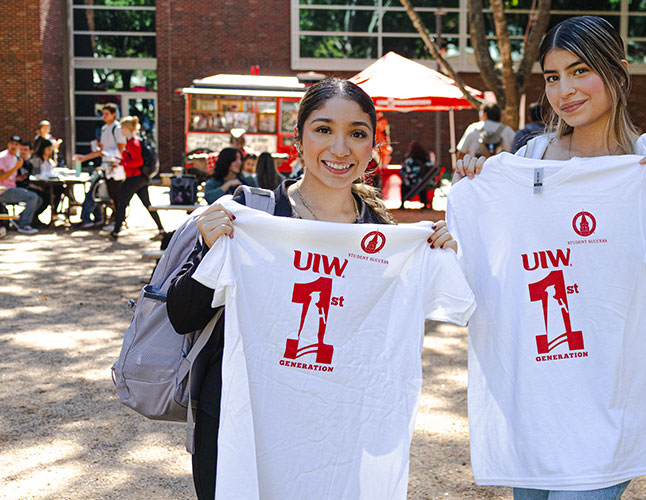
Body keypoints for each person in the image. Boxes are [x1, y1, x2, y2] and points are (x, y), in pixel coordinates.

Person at [452, 15, 646, 500]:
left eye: (579, 71)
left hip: (611, 401)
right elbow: (491, 272)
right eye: (552, 77)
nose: (564, 91)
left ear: (618, 70)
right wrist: (474, 197)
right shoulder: (529, 159)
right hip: (532, 398)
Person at [166, 77, 458, 499]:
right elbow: (182, 315)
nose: (340, 149)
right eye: (324, 129)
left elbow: (386, 336)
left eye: (357, 134)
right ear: (297, 141)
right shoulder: (254, 216)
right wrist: (209, 246)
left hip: (336, 430)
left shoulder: (382, 236)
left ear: (373, 147)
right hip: (243, 423)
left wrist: (436, 253)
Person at [106, 116, 165, 240]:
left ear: (127, 128)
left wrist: (123, 163)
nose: (121, 130)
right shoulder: (134, 141)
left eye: (122, 127)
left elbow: (137, 162)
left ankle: (116, 232)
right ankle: (161, 229)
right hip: (140, 178)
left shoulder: (133, 143)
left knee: (121, 203)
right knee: (147, 204)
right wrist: (121, 162)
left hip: (134, 177)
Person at [76, 102, 127, 228]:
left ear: (114, 115)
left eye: (106, 114)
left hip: (115, 167)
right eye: (102, 114)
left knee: (117, 195)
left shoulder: (118, 129)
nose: (104, 116)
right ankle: (113, 219)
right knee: (110, 193)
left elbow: (121, 149)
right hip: (107, 167)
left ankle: (118, 221)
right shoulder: (104, 129)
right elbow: (101, 151)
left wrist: (109, 155)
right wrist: (85, 157)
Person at [0, 136, 40, 234]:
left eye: (17, 144)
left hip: (12, 188)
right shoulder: (2, 157)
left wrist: (18, 178)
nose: (14, 146)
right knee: (32, 197)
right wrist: (15, 168)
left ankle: (18, 220)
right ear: (8, 144)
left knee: (39, 199)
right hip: (3, 191)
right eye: (12, 143)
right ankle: (24, 225)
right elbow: (1, 177)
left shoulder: (15, 158)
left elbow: (10, 177)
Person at [400, 140, 434, 209]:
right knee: (422, 186)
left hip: (412, 182)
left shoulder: (410, 159)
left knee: (404, 185)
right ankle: (424, 203)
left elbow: (405, 171)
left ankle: (402, 204)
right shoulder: (425, 158)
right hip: (423, 182)